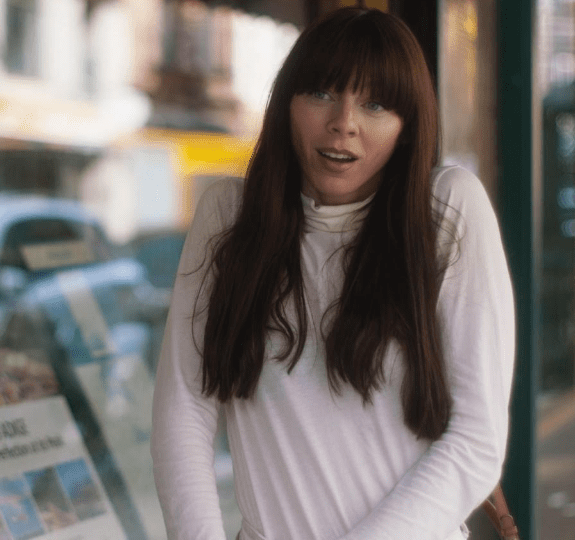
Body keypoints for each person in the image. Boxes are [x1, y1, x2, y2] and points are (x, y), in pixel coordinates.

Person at [150, 7, 515, 540]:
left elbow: (477, 438)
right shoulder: (230, 215)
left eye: (375, 103)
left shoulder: (445, 210)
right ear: (287, 106)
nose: (344, 121)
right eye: (322, 93)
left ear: (408, 127)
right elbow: (184, 408)